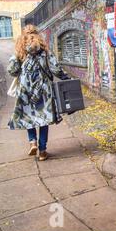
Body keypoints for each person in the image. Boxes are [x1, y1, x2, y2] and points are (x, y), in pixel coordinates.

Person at [7, 24, 70, 161]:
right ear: (37, 35)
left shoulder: (20, 51)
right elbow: (56, 68)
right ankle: (42, 151)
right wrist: (67, 78)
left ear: (23, 36)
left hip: (25, 90)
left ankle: (32, 142)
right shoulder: (45, 51)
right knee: (43, 120)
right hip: (44, 89)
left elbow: (12, 70)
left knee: (28, 117)